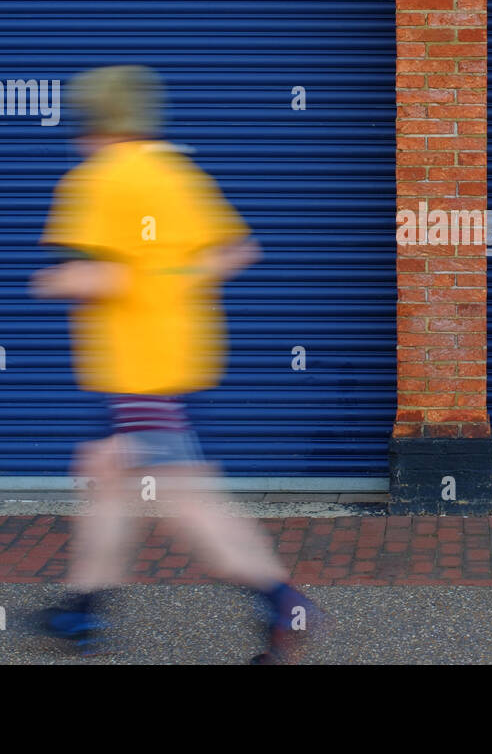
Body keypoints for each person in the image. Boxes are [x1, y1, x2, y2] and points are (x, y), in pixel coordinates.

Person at [29, 64, 320, 663]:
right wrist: (174, 285)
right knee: (107, 481)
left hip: (138, 374)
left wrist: (57, 279)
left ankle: (281, 601)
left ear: (95, 122)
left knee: (188, 505)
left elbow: (108, 273)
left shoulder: (101, 178)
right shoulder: (177, 172)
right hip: (175, 363)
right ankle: (80, 613)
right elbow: (237, 251)